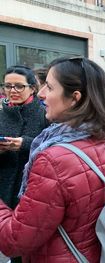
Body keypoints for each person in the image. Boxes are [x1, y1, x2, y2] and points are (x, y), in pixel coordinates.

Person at [0, 57, 105, 262]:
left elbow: (15, 241)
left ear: (74, 98)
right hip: (94, 252)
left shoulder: (52, 159)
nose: (41, 94)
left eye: (48, 87)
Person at [0, 66, 48, 210]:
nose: (13, 91)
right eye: (8, 86)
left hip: (31, 188)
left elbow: (55, 147)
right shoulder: (1, 114)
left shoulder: (45, 114)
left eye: (19, 86)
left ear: (33, 88)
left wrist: (26, 143)